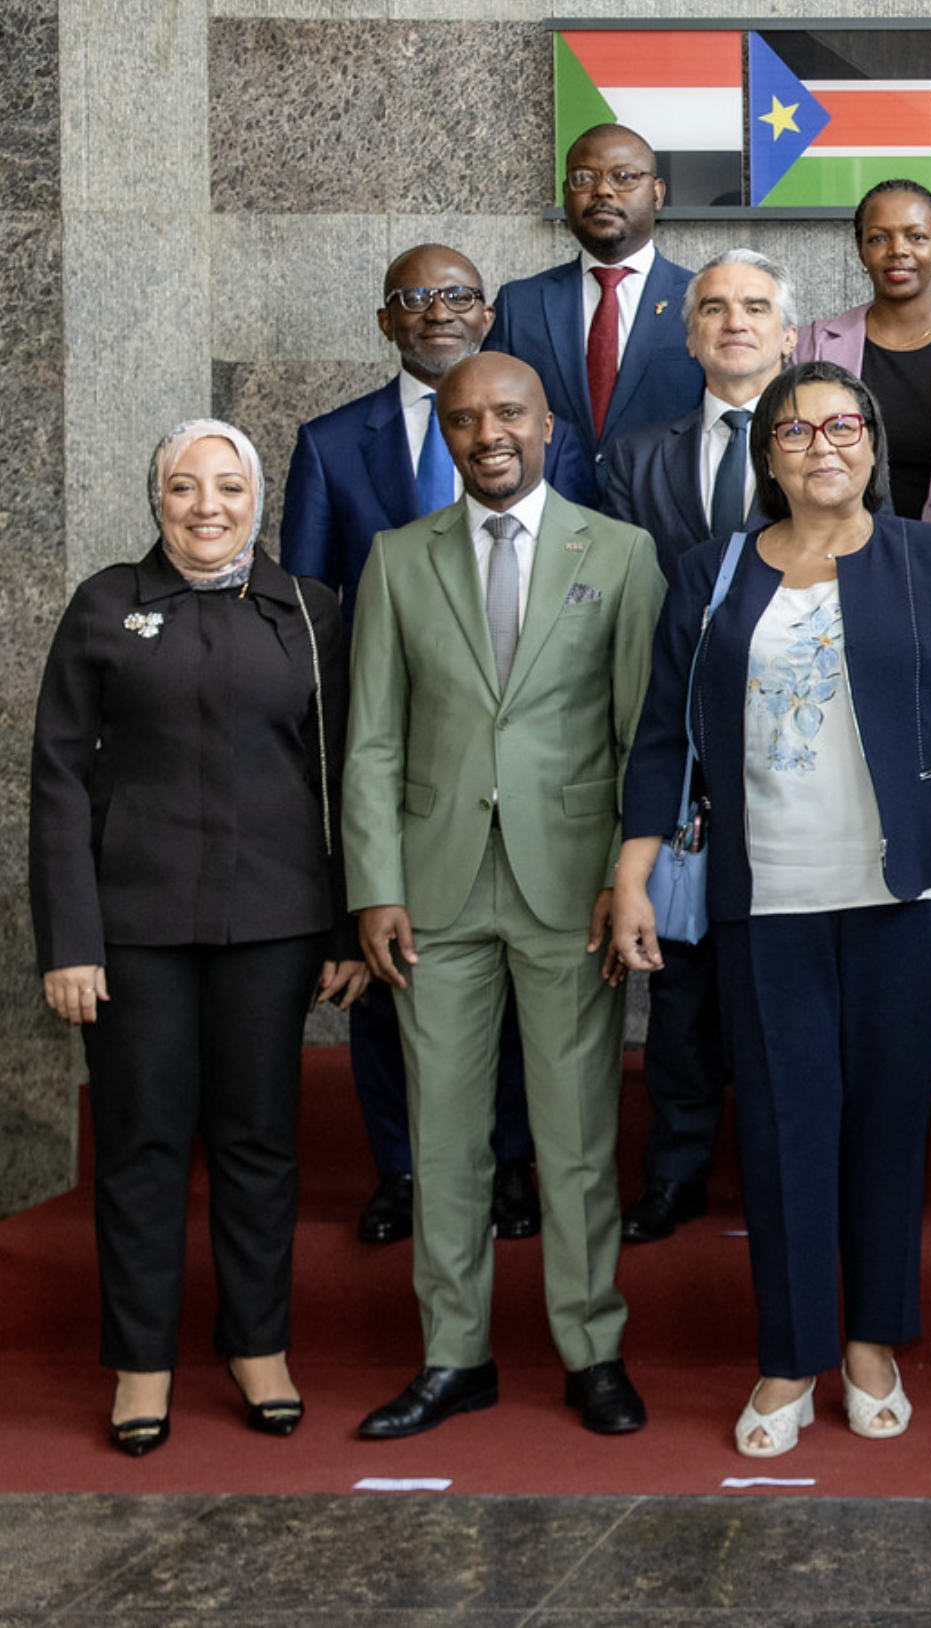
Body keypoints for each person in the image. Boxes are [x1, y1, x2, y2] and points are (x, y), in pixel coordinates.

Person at [615, 360, 931, 1459]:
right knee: (787, 1132)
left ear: (876, 444)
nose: (822, 444)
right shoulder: (710, 573)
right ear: (767, 456)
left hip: (904, 894)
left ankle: (875, 1344)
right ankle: (789, 1353)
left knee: (888, 1127)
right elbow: (662, 735)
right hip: (767, 894)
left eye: (845, 424)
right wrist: (632, 875)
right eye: (795, 430)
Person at [342, 353, 665, 1441]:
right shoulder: (395, 559)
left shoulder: (618, 553)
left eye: (509, 414)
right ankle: (453, 1354)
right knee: (443, 1134)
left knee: (574, 1132)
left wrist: (630, 879)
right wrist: (374, 885)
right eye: (466, 416)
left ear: (547, 426)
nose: (489, 433)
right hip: (432, 891)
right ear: (443, 429)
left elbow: (640, 740)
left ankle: (591, 1347)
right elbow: (372, 737)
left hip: (569, 886)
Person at [33, 421, 363, 1455]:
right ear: (157, 498)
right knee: (141, 1147)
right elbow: (56, 781)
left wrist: (349, 924)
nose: (207, 506)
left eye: (228, 486)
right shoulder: (104, 605)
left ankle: (258, 1345)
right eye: (184, 487)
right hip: (132, 931)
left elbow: (347, 774)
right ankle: (142, 1363)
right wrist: (68, 940)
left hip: (272, 923)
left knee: (260, 1141)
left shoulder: (309, 614)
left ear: (258, 499)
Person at [280, 246, 550, 1247]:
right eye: (411, 298)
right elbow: (307, 620)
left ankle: (512, 1160)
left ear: (486, 317)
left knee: (525, 966)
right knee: (389, 967)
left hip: (521, 755)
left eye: (455, 296)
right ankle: (399, 1166)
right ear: (385, 322)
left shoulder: (538, 427)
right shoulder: (329, 443)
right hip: (390, 756)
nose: (434, 311)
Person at [598, 248, 798, 1244]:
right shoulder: (634, 457)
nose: (734, 322)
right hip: (680, 762)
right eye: (713, 307)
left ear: (790, 334)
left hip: (796, 764)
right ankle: (674, 1171)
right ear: (686, 333)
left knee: (777, 1000)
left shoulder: (824, 448)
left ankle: (777, 1175)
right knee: (679, 1002)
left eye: (755, 306)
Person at [487, 123, 700, 484]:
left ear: (657, 194)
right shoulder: (519, 304)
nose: (603, 190)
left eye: (624, 177)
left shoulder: (702, 301)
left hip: (663, 518)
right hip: (552, 519)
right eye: (584, 178)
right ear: (565, 193)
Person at [796, 179, 931, 524]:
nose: (898, 250)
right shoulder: (813, 345)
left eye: (916, 236)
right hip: (841, 549)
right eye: (879, 238)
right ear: (861, 251)